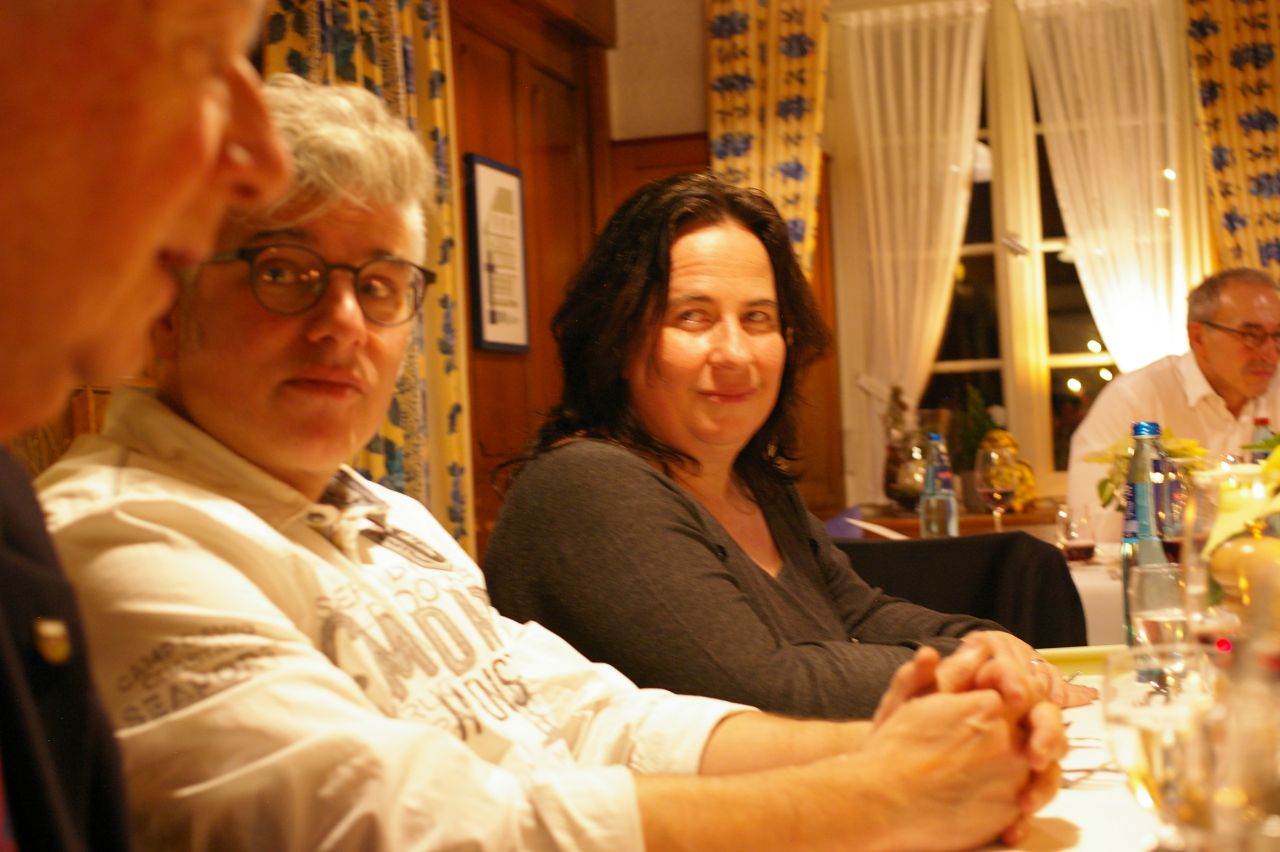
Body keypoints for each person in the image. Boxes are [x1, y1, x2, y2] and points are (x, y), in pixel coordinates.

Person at [39, 76, 1064, 850]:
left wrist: (892, 738)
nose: (342, 323)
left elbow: (589, 715)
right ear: (164, 300)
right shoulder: (119, 537)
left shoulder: (389, 519)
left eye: (380, 285)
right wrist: (883, 794)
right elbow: (413, 824)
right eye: (285, 272)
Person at [482, 172, 1095, 719]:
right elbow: (763, 687)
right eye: (692, 316)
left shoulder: (756, 483)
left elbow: (858, 614)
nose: (735, 353)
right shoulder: (585, 484)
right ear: (616, 337)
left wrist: (983, 640)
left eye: (758, 318)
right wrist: (973, 669)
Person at [0, 2, 288, 848]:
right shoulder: (115, 524)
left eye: (380, 287)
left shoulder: (9, 515)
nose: (263, 164)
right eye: (203, 57)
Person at [1067, 268, 1280, 541]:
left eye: (1277, 336)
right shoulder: (1136, 397)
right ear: (1198, 337)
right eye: (1251, 336)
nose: (1269, 353)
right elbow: (1091, 523)